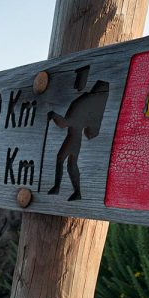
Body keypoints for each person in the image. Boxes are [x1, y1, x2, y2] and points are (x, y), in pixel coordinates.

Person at [46, 66, 109, 201]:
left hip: (73, 138)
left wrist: (54, 115)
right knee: (70, 164)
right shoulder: (84, 103)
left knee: (62, 159)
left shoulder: (83, 104)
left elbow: (65, 123)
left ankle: (59, 188)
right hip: (75, 139)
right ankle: (74, 191)